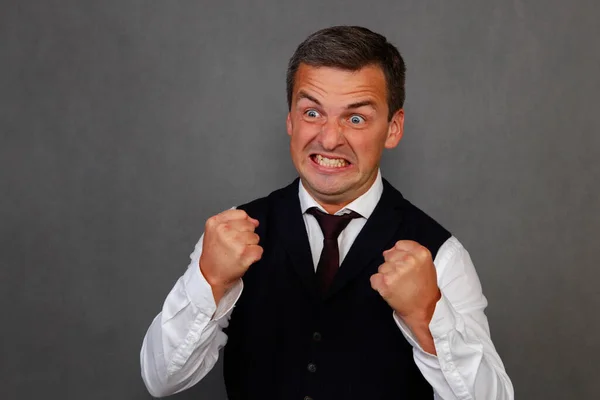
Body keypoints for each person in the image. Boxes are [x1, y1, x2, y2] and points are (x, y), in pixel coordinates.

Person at [140, 26, 514, 399]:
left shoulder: (440, 255)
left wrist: (427, 316)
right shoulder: (232, 233)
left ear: (393, 128)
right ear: (290, 119)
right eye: (313, 112)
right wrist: (209, 280)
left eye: (355, 118)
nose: (330, 138)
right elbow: (161, 379)